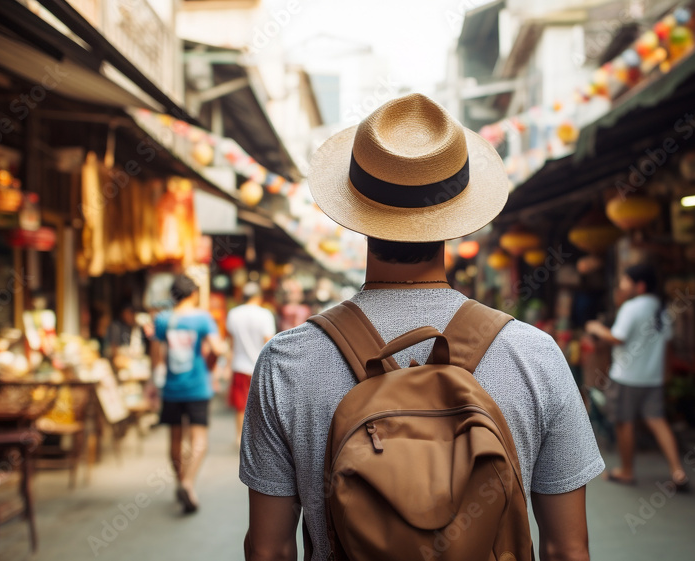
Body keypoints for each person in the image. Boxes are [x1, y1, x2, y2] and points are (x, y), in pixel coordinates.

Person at [240, 94, 603, 561]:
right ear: (457, 216)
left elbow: (268, 551)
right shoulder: (533, 354)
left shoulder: (287, 361)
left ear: (355, 213)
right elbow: (568, 550)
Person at [585, 262, 689, 491]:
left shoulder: (632, 308)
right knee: (658, 421)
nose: (621, 285)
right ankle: (677, 471)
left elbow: (618, 337)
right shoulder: (661, 308)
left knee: (625, 423)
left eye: (625, 281)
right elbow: (667, 345)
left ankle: (626, 470)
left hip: (626, 376)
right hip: (652, 377)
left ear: (639, 286)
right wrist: (666, 373)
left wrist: (596, 328)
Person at [152, 273, 227, 513]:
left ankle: (178, 480)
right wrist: (211, 363)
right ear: (193, 294)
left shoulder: (163, 319)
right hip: (197, 387)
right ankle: (188, 482)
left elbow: (156, 354)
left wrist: (155, 381)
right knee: (199, 439)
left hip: (172, 388)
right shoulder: (203, 319)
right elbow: (217, 348)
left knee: (175, 438)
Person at [225, 281, 276, 446]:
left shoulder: (233, 314)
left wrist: (226, 365)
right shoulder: (265, 315)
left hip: (239, 365)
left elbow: (230, 343)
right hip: (260, 366)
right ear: (259, 297)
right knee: (261, 404)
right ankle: (258, 439)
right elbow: (269, 343)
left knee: (241, 405)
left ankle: (240, 437)